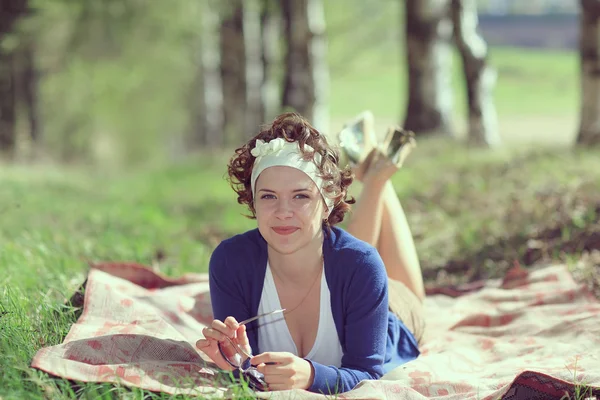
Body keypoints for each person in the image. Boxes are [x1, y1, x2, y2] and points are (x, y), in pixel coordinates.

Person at [195, 112, 426, 394]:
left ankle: (377, 177)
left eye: (301, 196)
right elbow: (247, 371)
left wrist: (311, 375)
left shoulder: (362, 266)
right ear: (253, 202)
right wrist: (237, 362)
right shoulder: (230, 262)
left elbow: (368, 373)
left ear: (328, 203)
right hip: (346, 268)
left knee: (364, 262)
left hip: (394, 310)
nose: (282, 212)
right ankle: (371, 169)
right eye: (268, 196)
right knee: (341, 251)